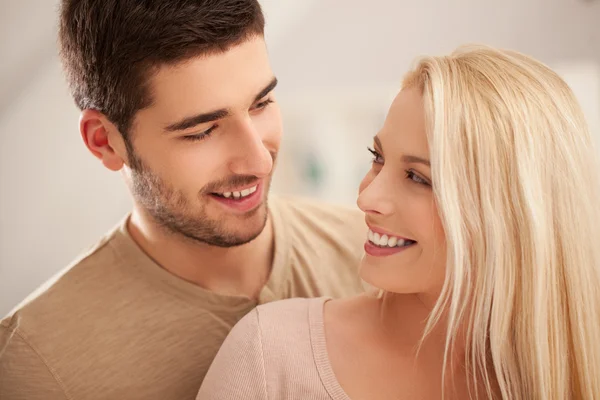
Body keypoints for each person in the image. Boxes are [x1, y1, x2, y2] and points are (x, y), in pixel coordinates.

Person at [0, 1, 367, 399]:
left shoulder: (372, 257)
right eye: (203, 131)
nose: (259, 161)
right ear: (104, 141)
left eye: (261, 104)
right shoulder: (36, 364)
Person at [197, 45, 600, 400]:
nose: (366, 198)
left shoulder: (570, 372)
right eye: (378, 157)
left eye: (418, 178)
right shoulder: (271, 355)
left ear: (509, 212)